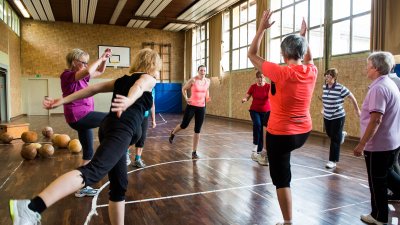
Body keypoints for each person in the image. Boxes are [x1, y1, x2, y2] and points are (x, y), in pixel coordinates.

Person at [9, 48, 161, 225]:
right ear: (153, 65)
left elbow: (93, 89)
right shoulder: (149, 78)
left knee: (119, 186)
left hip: (110, 127)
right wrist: (129, 100)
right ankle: (31, 208)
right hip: (121, 130)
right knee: (93, 171)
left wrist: (63, 100)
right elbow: (139, 86)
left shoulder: (122, 80)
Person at [248, 11, 317, 225]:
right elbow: (309, 58)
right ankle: (266, 154)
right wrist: (303, 36)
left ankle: (288, 222)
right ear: (302, 51)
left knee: (282, 180)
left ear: (282, 54)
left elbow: (251, 54)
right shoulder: (312, 71)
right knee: (278, 149)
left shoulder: (280, 72)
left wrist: (261, 29)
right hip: (304, 132)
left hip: (282, 135)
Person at [353, 51, 400, 225]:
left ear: (377, 68)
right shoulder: (390, 83)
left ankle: (379, 216)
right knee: (386, 174)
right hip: (392, 141)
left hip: (379, 145)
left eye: (368, 65)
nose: (367, 68)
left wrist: (362, 144)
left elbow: (376, 119)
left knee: (377, 181)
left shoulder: (378, 88)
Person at [61, 48, 112, 197]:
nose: (85, 65)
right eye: (83, 63)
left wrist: (105, 59)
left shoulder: (83, 78)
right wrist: (100, 57)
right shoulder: (67, 75)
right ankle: (121, 149)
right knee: (112, 117)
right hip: (79, 116)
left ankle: (82, 185)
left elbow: (100, 71)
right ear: (74, 62)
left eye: (86, 63)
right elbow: (89, 71)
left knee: (88, 152)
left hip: (84, 117)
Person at [168, 65, 210, 159]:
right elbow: (183, 89)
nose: (203, 72)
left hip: (201, 107)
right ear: (198, 71)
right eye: (201, 70)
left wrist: (207, 97)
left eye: (204, 70)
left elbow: (207, 90)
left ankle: (194, 152)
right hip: (191, 106)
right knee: (184, 125)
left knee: (197, 130)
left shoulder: (208, 81)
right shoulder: (193, 80)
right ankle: (173, 133)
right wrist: (186, 98)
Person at [322, 68, 360, 169]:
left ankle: (332, 160)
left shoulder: (340, 88)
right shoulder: (324, 87)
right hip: (327, 115)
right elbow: (326, 100)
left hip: (338, 116)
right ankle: (342, 134)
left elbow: (352, 97)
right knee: (330, 134)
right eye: (326, 75)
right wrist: (323, 108)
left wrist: (357, 110)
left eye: (329, 76)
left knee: (334, 138)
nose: (327, 77)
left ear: (334, 77)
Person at [241, 71, 270, 166]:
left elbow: (273, 96)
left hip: (266, 112)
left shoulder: (268, 87)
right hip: (254, 110)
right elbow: (247, 95)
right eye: (258, 77)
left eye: (261, 77)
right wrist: (245, 99)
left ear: (264, 78)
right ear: (256, 78)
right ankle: (254, 148)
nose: (260, 79)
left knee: (263, 131)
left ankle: (260, 152)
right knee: (257, 125)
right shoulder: (253, 87)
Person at [128, 88, 156, 168]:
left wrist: (153, 120)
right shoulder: (139, 86)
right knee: (136, 135)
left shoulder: (153, 89)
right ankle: (125, 152)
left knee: (142, 138)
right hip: (135, 115)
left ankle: (137, 159)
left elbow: (152, 105)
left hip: (145, 116)